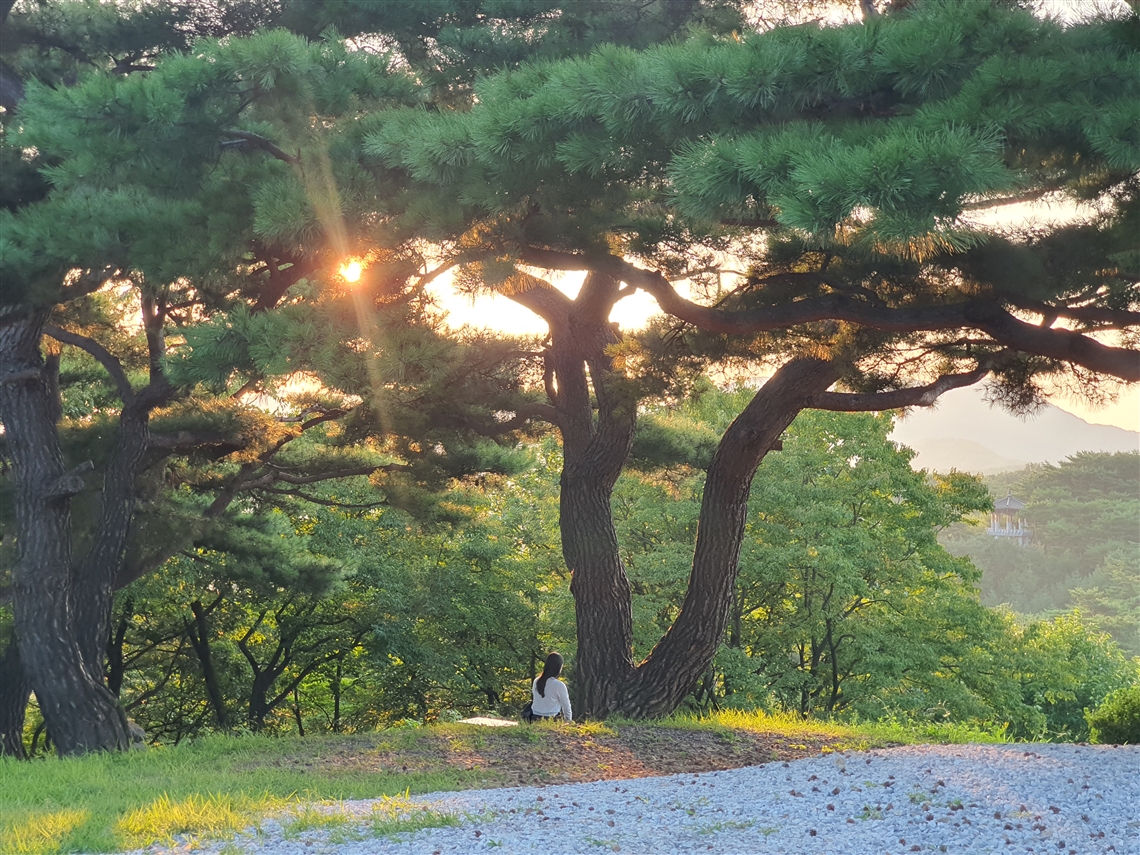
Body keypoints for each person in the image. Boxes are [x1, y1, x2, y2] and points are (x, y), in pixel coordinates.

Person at [530, 652, 572, 722]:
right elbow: (566, 707)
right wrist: (569, 721)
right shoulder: (559, 685)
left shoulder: (536, 681)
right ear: (559, 668)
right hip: (552, 719)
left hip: (534, 717)